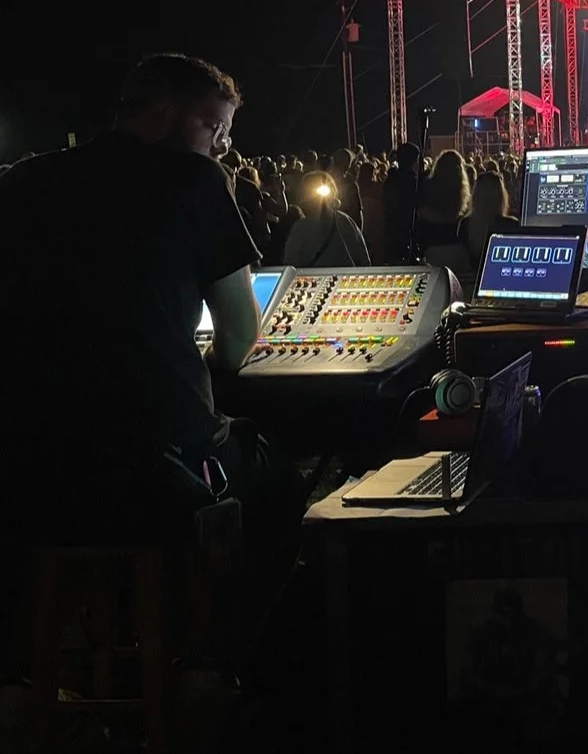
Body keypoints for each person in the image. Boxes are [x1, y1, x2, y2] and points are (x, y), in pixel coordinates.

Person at [0, 54, 306, 672]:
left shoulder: (23, 181)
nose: (222, 147)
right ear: (163, 114)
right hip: (154, 472)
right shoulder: (193, 182)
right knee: (281, 479)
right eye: (212, 128)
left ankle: (91, 657)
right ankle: (230, 662)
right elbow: (241, 335)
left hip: (33, 470)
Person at [281, 171, 371, 267]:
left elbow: (291, 262)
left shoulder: (301, 228)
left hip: (315, 278)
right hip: (345, 277)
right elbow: (363, 259)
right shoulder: (346, 221)